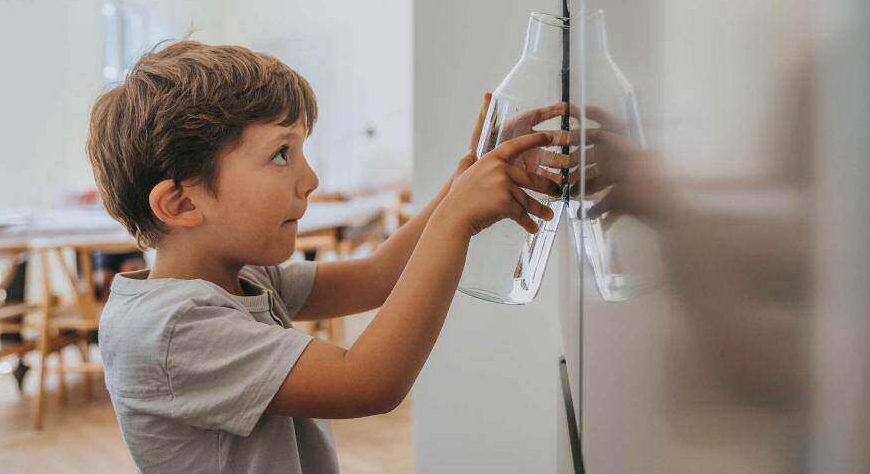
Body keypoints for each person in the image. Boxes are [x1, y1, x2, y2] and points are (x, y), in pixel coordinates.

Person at [86, 40, 567, 473]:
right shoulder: (172, 329)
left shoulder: (245, 278)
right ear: (182, 203)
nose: (311, 179)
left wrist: (464, 180)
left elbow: (378, 276)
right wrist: (455, 219)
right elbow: (369, 382)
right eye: (281, 154)